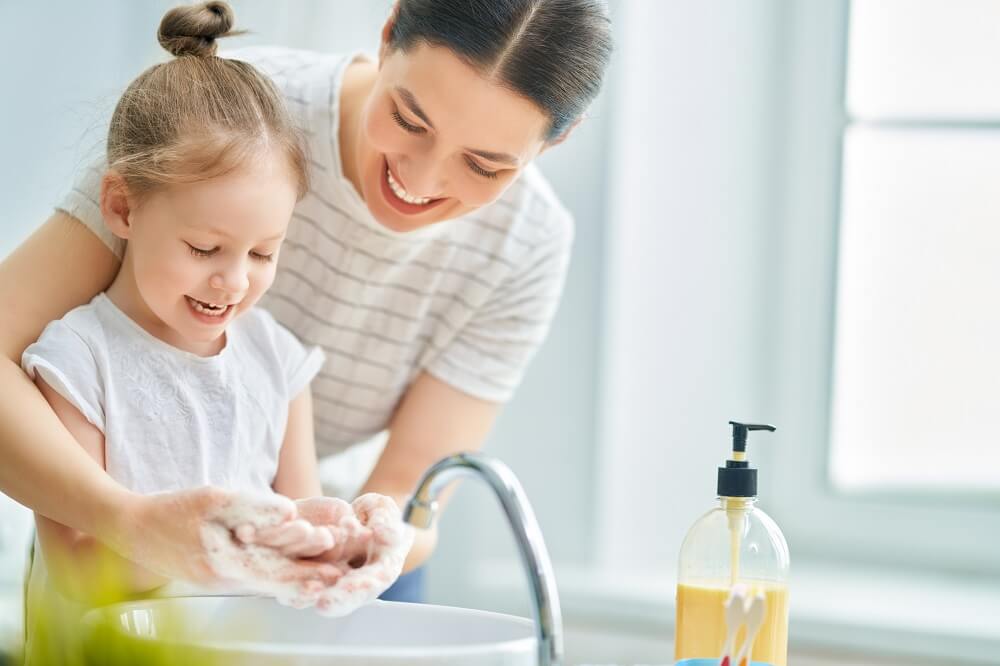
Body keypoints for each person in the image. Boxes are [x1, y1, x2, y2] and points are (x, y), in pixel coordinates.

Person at [0, 0, 613, 607]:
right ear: (390, 31)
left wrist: (367, 536)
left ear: (556, 141)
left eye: (484, 166)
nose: (421, 182)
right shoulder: (229, 115)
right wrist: (132, 522)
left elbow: (406, 490)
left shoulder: (526, 246)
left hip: (283, 552)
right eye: (408, 119)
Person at [17, 4, 414, 662]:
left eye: (263, 254)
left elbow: (302, 516)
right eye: (205, 248)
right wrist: (231, 554)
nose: (234, 281)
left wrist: (344, 541)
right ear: (121, 206)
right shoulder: (76, 359)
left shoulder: (278, 363)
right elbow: (79, 569)